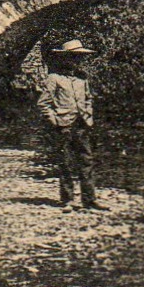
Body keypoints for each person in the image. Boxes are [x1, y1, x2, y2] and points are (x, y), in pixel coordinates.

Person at [37, 39, 101, 210]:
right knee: (65, 162)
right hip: (63, 125)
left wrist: (89, 117)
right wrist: (55, 120)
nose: (77, 61)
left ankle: (90, 200)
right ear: (64, 58)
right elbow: (43, 103)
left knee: (86, 161)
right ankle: (68, 200)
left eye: (79, 58)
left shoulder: (82, 78)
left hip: (82, 124)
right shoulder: (54, 78)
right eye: (73, 57)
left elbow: (88, 99)